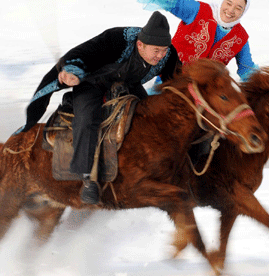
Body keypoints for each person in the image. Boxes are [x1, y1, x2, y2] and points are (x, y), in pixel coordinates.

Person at [14, 11, 180, 204]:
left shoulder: (169, 55)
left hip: (127, 84)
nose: (160, 56)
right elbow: (83, 53)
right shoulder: (117, 39)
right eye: (156, 51)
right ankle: (87, 178)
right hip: (92, 83)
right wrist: (70, 71)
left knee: (151, 116)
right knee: (87, 120)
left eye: (164, 50)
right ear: (140, 45)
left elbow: (178, 81)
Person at [135, 0, 258, 83]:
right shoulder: (199, 11)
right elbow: (175, 1)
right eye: (229, 3)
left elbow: (247, 70)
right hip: (171, 79)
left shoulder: (240, 37)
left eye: (238, 8)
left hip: (204, 90)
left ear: (243, 12)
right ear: (222, 1)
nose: (231, 10)